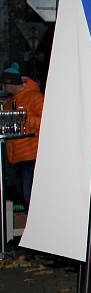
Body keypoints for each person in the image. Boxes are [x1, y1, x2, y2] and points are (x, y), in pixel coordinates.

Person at [2, 63, 44, 212]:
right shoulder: (8, 103)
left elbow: (48, 122)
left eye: (5, 83)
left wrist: (25, 119)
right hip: (15, 158)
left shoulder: (35, 97)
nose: (3, 87)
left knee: (30, 196)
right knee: (23, 196)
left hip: (31, 156)